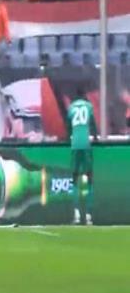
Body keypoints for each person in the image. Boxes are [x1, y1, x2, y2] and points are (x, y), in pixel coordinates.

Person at [66, 87, 97, 225]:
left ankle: (76, 213)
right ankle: (89, 215)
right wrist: (95, 137)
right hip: (85, 144)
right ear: (84, 95)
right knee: (89, 179)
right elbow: (93, 124)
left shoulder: (71, 107)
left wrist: (69, 137)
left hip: (75, 145)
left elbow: (68, 127)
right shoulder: (89, 106)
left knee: (74, 179)